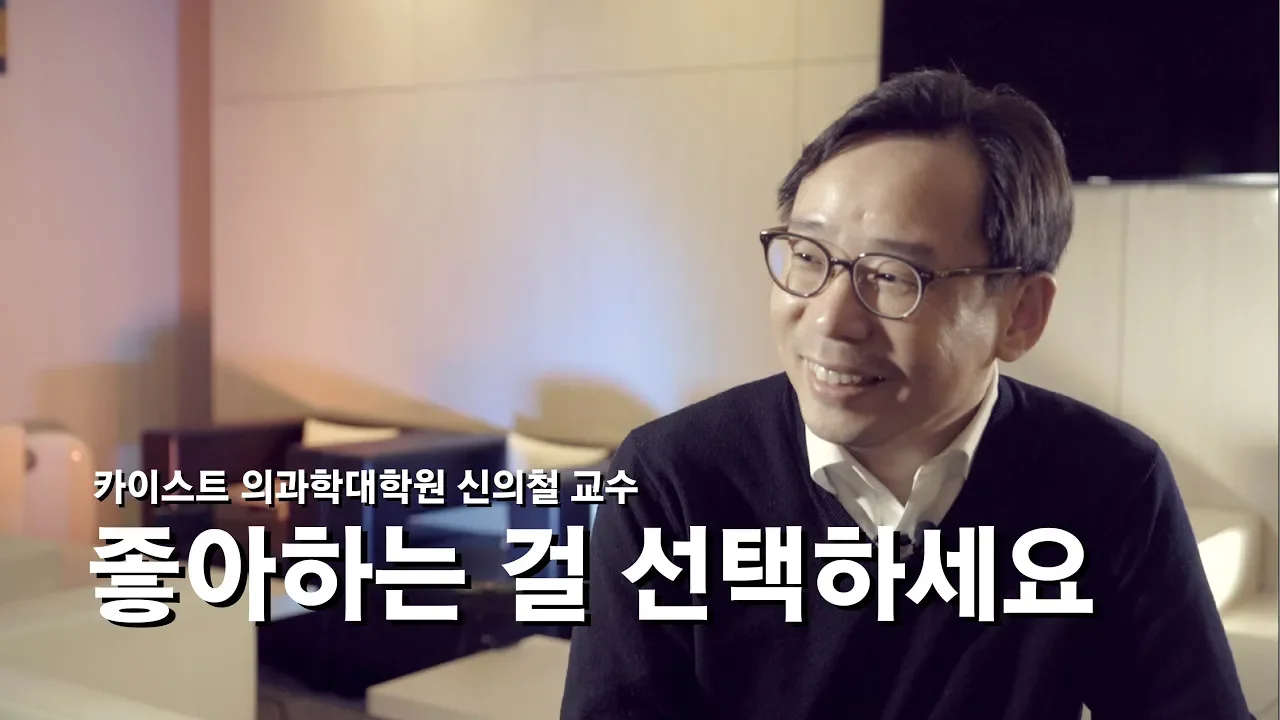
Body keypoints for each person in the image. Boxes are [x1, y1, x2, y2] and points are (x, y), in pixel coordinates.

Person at [559, 69, 1254, 719]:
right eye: (807, 256)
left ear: (1020, 315)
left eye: (893, 275)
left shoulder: (1110, 485)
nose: (829, 319)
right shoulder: (670, 481)